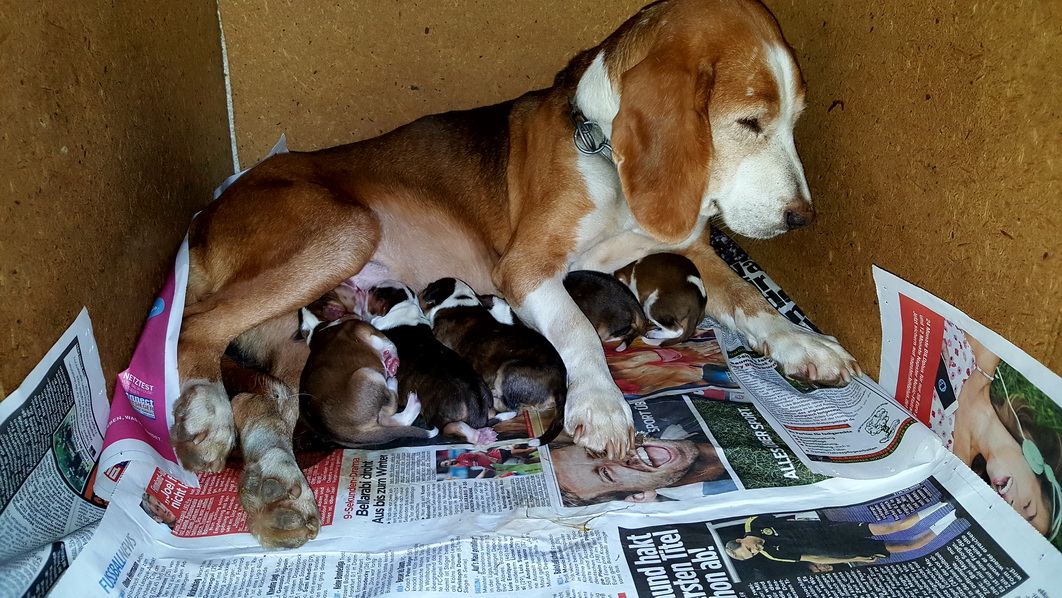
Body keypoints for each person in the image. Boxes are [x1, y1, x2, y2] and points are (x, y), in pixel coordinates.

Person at [952, 332, 1062, 541]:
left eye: (1012, 517)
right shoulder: (985, 356)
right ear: (1035, 460)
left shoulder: (955, 465)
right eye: (1028, 506)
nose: (1011, 506)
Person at [550, 436, 725, 506]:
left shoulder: (673, 422)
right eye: (607, 473)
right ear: (638, 497)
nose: (618, 455)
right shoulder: (716, 499)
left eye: (596, 450)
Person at [724, 511, 942, 566]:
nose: (756, 551)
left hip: (831, 530)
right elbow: (816, 559)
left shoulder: (754, 523)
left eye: (750, 549)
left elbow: (784, 511)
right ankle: (954, 516)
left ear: (742, 540)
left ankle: (946, 502)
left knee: (889, 527)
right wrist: (852, 558)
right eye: (752, 555)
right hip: (838, 549)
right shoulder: (773, 555)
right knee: (908, 546)